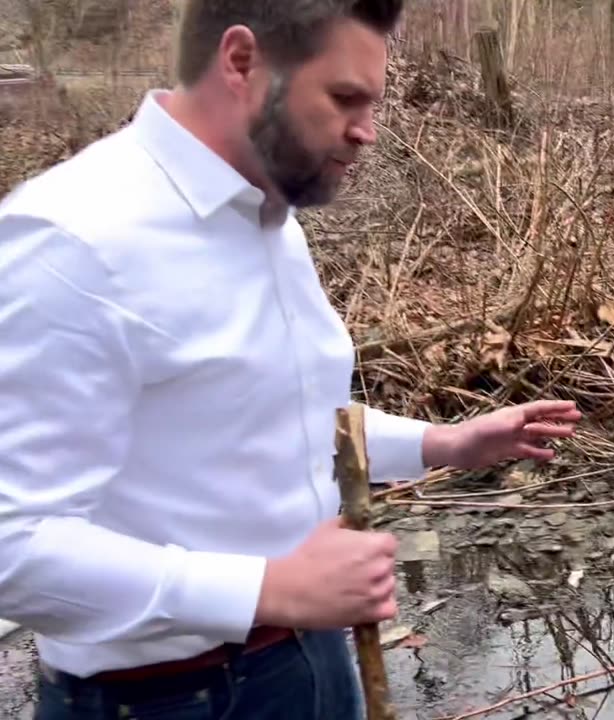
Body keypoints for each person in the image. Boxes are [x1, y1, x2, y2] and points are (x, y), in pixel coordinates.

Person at [0, 1, 582, 718]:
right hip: (161, 698)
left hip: (306, 658)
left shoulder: (268, 220)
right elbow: (13, 546)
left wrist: (446, 444)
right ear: (242, 63)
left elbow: (282, 416)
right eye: (345, 98)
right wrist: (266, 590)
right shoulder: (73, 239)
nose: (367, 130)